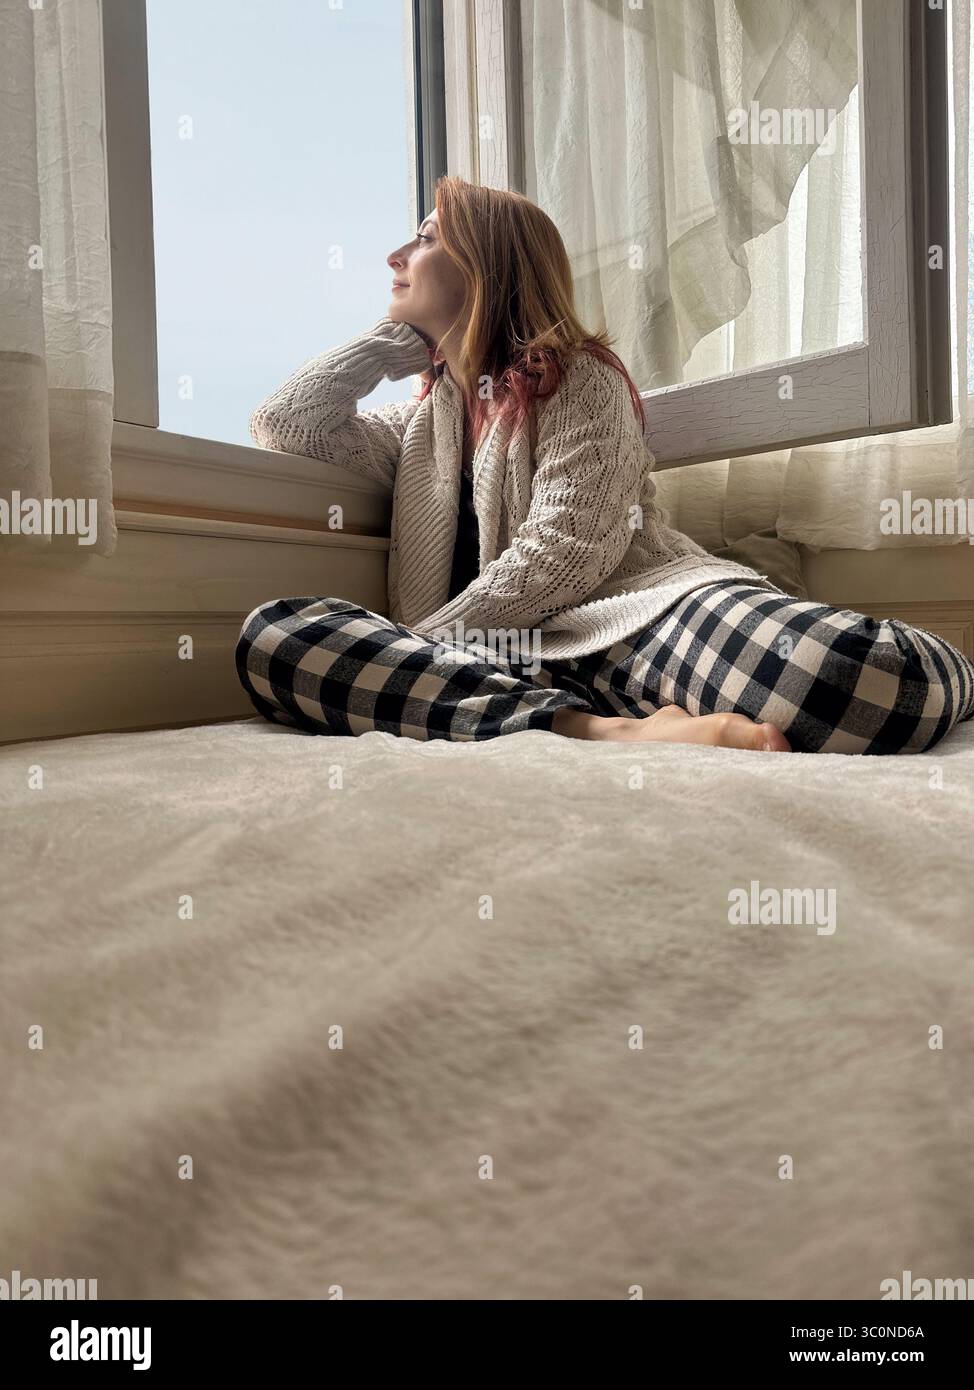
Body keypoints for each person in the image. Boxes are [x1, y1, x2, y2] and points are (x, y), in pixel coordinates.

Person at [236, 176, 974, 754]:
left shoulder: (578, 380)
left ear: (487, 268)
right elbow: (286, 423)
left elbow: (563, 557)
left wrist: (424, 643)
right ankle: (597, 731)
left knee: (870, 679)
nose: (396, 257)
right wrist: (392, 344)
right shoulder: (421, 424)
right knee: (276, 637)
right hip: (503, 666)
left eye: (425, 240)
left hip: (634, 622)